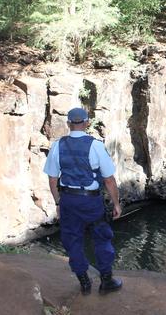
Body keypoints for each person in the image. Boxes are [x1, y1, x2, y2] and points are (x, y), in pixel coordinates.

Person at [43, 107, 123, 295]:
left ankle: (84, 281)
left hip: (68, 201)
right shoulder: (95, 145)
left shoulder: (57, 145)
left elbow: (53, 179)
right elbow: (109, 179)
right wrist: (116, 203)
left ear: (69, 124)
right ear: (86, 123)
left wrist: (58, 203)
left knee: (72, 239)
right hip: (90, 202)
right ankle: (106, 280)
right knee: (102, 238)